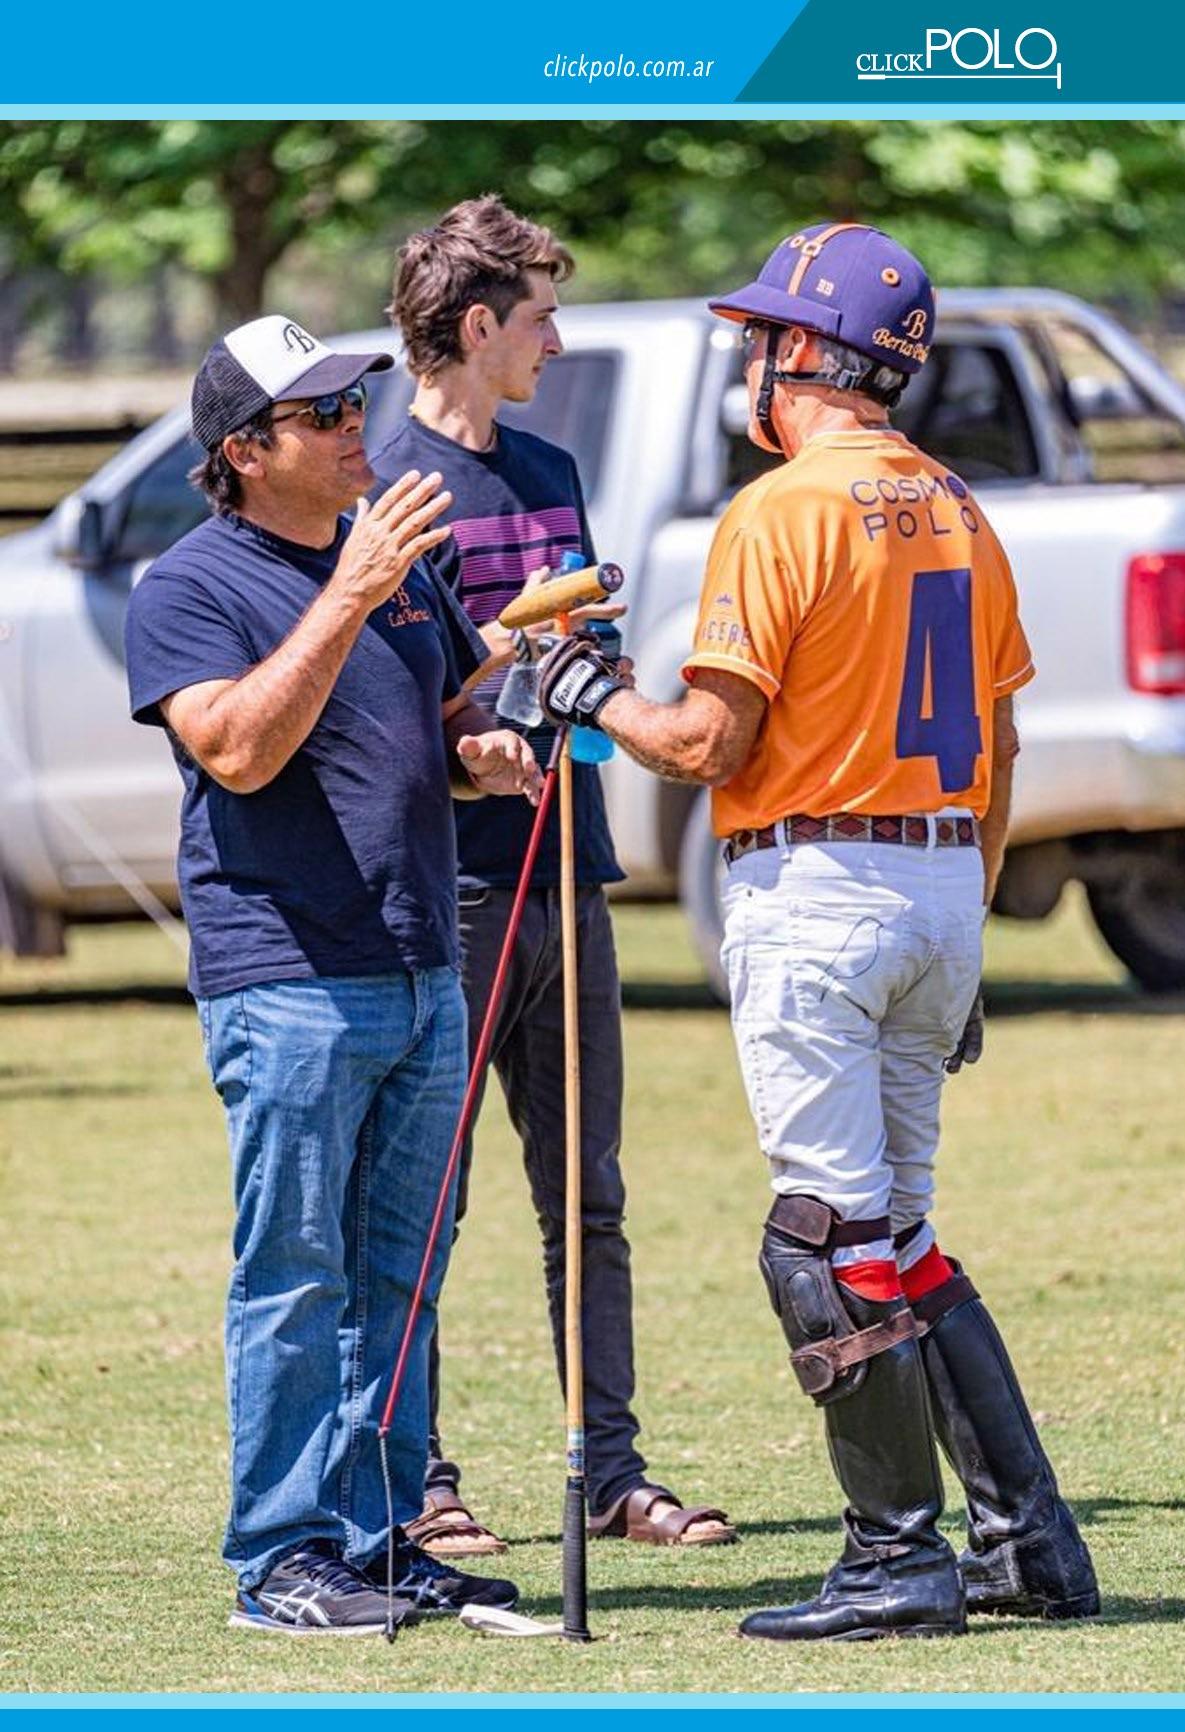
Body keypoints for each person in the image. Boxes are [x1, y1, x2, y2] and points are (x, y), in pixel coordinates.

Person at [536, 222, 1100, 1641]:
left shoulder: (777, 512)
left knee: (824, 1239)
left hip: (819, 891)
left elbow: (704, 744)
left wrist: (589, 694)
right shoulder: (957, 506)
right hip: (939, 885)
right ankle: (1027, 1545)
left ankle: (896, 1558)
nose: (747, 359)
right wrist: (962, 925)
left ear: (803, 351)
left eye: (759, 335)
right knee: (900, 1233)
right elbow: (1001, 745)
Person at [124, 313, 539, 1635]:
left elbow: (435, 718)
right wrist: (348, 592)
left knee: (399, 1277)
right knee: (297, 1275)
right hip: (288, 976)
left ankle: (381, 1536)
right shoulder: (190, 585)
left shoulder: (390, 565)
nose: (357, 426)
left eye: (356, 402)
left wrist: (481, 752)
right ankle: (282, 1557)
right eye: (322, 415)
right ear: (245, 452)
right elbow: (238, 750)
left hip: (420, 964)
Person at [370, 195, 736, 1554]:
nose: (556, 341)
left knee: (588, 1198)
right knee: (426, 1201)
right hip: (450, 894)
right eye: (539, 318)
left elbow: (574, 664)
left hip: (569, 876)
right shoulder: (388, 491)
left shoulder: (549, 471)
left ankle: (609, 1473)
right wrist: (489, 705)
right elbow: (387, 701)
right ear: (478, 327)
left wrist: (596, 676)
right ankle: (417, 1478)